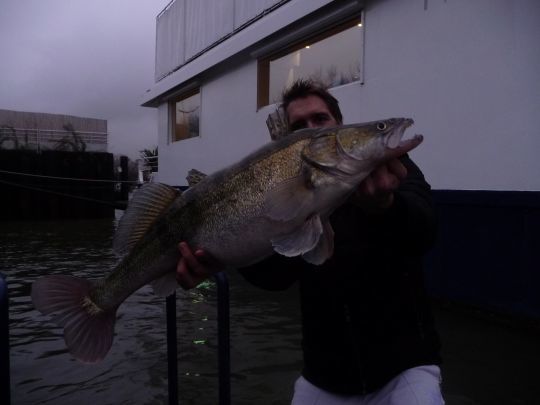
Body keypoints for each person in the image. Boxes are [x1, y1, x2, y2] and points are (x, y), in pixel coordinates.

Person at [176, 79, 443, 404]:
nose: (311, 129)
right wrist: (219, 257)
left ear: (339, 125)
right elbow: (277, 277)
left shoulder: (391, 169)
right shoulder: (283, 192)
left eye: (320, 120)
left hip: (405, 369)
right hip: (324, 378)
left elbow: (425, 230)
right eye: (299, 126)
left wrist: (387, 207)